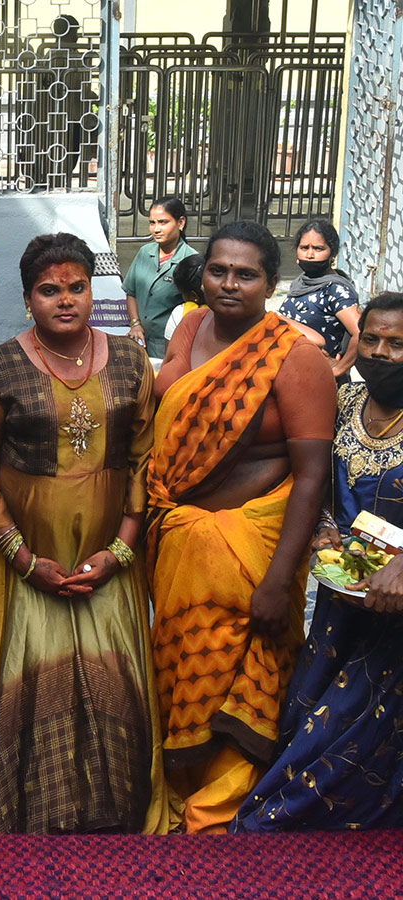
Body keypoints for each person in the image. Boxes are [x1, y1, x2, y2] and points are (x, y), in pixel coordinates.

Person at [0, 232, 168, 835]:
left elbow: (145, 460)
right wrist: (23, 559)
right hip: (28, 558)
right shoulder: (3, 366)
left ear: (94, 291)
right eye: (49, 290)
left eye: (76, 287)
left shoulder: (128, 359)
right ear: (28, 299)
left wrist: (120, 550)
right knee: (32, 676)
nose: (64, 300)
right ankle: (38, 813)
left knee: (115, 672)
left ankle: (114, 811)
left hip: (108, 551)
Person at [148, 220, 336, 834]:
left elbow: (312, 475)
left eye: (246, 273)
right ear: (202, 275)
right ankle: (180, 790)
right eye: (218, 270)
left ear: (270, 283)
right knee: (181, 668)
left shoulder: (295, 356)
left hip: (250, 547)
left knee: (239, 670)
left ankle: (218, 810)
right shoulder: (191, 325)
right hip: (178, 538)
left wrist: (282, 579)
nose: (229, 283)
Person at [234, 292, 403, 832]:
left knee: (348, 736)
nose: (381, 352)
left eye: (398, 344)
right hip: (338, 600)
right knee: (309, 712)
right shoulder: (342, 403)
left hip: (394, 614)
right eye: (371, 339)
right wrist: (322, 532)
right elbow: (314, 482)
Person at [277, 219, 360, 382]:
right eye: (304, 248)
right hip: (293, 373)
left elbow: (362, 332)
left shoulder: (335, 290)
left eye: (318, 248)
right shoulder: (301, 282)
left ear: (333, 253)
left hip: (319, 380)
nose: (309, 254)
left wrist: (341, 368)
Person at [123, 196, 199, 359]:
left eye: (163, 222)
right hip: (140, 341)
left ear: (181, 223)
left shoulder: (191, 262)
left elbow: (197, 310)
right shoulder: (144, 253)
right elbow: (131, 292)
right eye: (152, 223)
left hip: (170, 346)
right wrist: (135, 324)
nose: (156, 229)